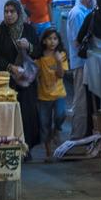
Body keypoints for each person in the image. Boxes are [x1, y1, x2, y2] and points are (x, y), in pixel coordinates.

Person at [0, 0, 40, 154]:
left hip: (27, 82)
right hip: (7, 81)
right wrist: (10, 67)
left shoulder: (29, 30)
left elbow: (39, 51)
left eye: (12, 12)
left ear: (19, 13)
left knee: (27, 115)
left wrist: (29, 46)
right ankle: (10, 148)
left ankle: (27, 150)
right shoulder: (0, 32)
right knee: (9, 116)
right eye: (6, 12)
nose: (9, 15)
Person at [66, 0, 98, 140]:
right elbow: (78, 42)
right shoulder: (77, 14)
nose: (95, 3)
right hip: (80, 62)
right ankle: (77, 135)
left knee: (83, 98)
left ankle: (83, 132)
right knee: (80, 98)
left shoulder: (83, 12)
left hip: (83, 61)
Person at [35, 27, 69, 160]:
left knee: (61, 114)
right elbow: (35, 75)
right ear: (44, 41)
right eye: (49, 39)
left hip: (59, 93)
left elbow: (61, 75)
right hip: (43, 95)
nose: (52, 42)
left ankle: (57, 130)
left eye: (55, 39)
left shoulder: (62, 55)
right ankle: (48, 151)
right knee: (44, 124)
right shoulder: (40, 58)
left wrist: (59, 61)